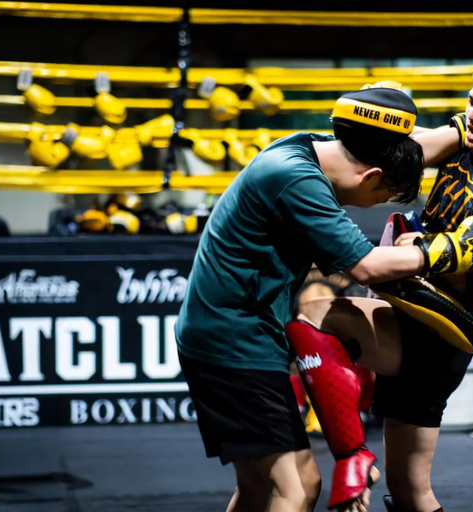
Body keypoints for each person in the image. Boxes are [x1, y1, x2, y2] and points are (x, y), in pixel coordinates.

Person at [290, 58, 473, 512]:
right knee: (409, 492)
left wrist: (435, 255)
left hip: (436, 340)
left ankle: (351, 456)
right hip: (407, 312)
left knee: (318, 317)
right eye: (471, 101)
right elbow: (400, 157)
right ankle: (350, 453)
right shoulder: (463, 143)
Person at [175, 83, 434, 512]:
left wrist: (467, 132)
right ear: (370, 175)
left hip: (226, 335)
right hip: (234, 343)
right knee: (295, 488)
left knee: (266, 488)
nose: (373, 206)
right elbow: (367, 266)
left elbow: (416, 147)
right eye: (380, 197)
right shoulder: (298, 181)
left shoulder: (303, 149)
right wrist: (445, 253)